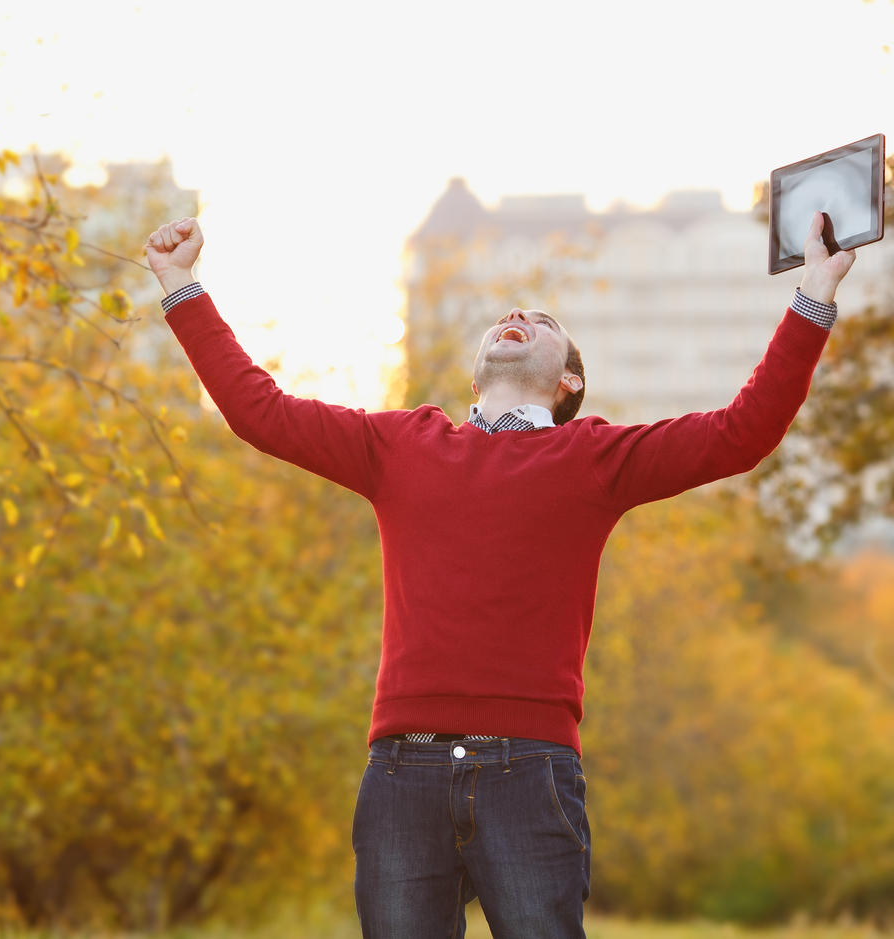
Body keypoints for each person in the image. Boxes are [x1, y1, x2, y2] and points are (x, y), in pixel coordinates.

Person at [144, 213, 855, 939]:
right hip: (401, 773)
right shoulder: (400, 444)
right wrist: (181, 283)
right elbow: (259, 411)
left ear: (568, 378)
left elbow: (744, 431)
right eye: (509, 316)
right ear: (476, 370)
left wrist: (815, 292)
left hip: (531, 773)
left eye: (542, 322)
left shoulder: (595, 457)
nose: (517, 315)